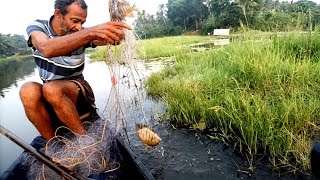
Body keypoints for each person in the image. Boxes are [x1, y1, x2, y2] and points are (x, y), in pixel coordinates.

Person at [19, 0, 131, 141]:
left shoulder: (83, 34)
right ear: (58, 14)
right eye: (75, 21)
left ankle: (84, 142)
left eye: (82, 23)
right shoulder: (38, 27)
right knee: (27, 89)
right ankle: (52, 144)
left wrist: (116, 33)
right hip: (49, 90)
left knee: (51, 89)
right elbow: (46, 48)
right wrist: (90, 32)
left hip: (77, 89)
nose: (79, 27)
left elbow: (111, 39)